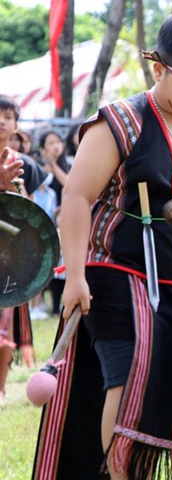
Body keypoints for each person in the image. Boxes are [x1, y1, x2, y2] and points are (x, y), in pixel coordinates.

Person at [32, 14, 172, 480]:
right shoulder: (121, 121)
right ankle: (119, 473)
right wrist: (77, 276)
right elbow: (77, 197)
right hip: (112, 273)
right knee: (127, 381)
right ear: (157, 68)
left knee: (157, 394)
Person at [0, 94, 48, 405]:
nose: (2, 122)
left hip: (7, 259)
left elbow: (29, 211)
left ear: (17, 126)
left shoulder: (21, 165)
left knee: (4, 335)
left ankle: (0, 389)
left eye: (8, 117)